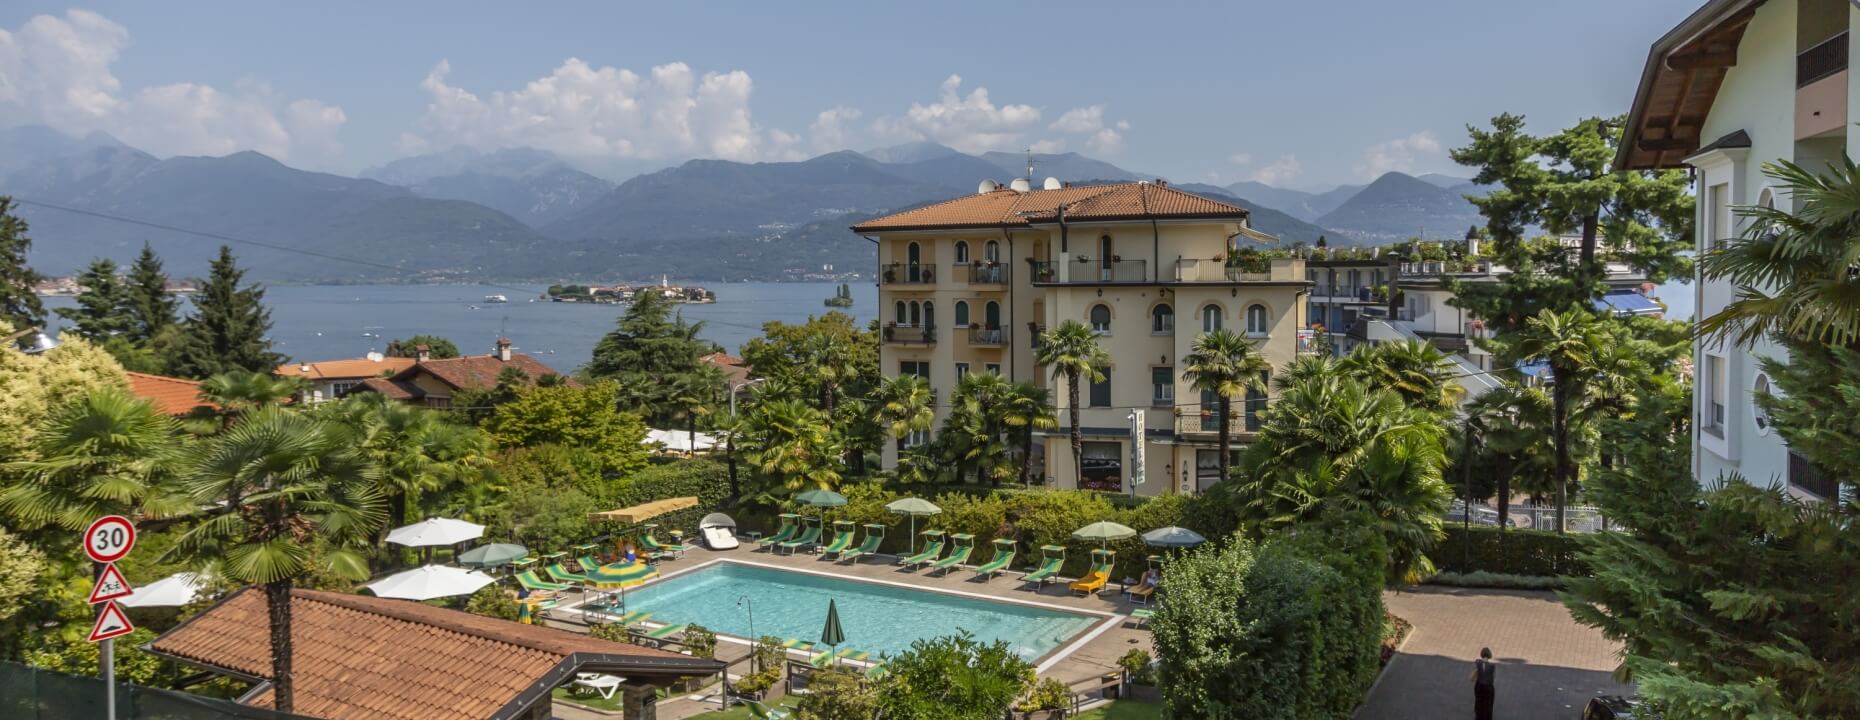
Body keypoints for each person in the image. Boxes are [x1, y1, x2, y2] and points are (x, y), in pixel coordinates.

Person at [1471, 647, 1496, 720]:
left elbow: (1476, 671)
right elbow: (1493, 677)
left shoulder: (1478, 663)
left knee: (1479, 701)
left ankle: (1478, 716)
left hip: (1479, 685)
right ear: (1489, 655)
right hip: (1488, 686)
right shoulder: (1492, 666)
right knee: (1488, 703)